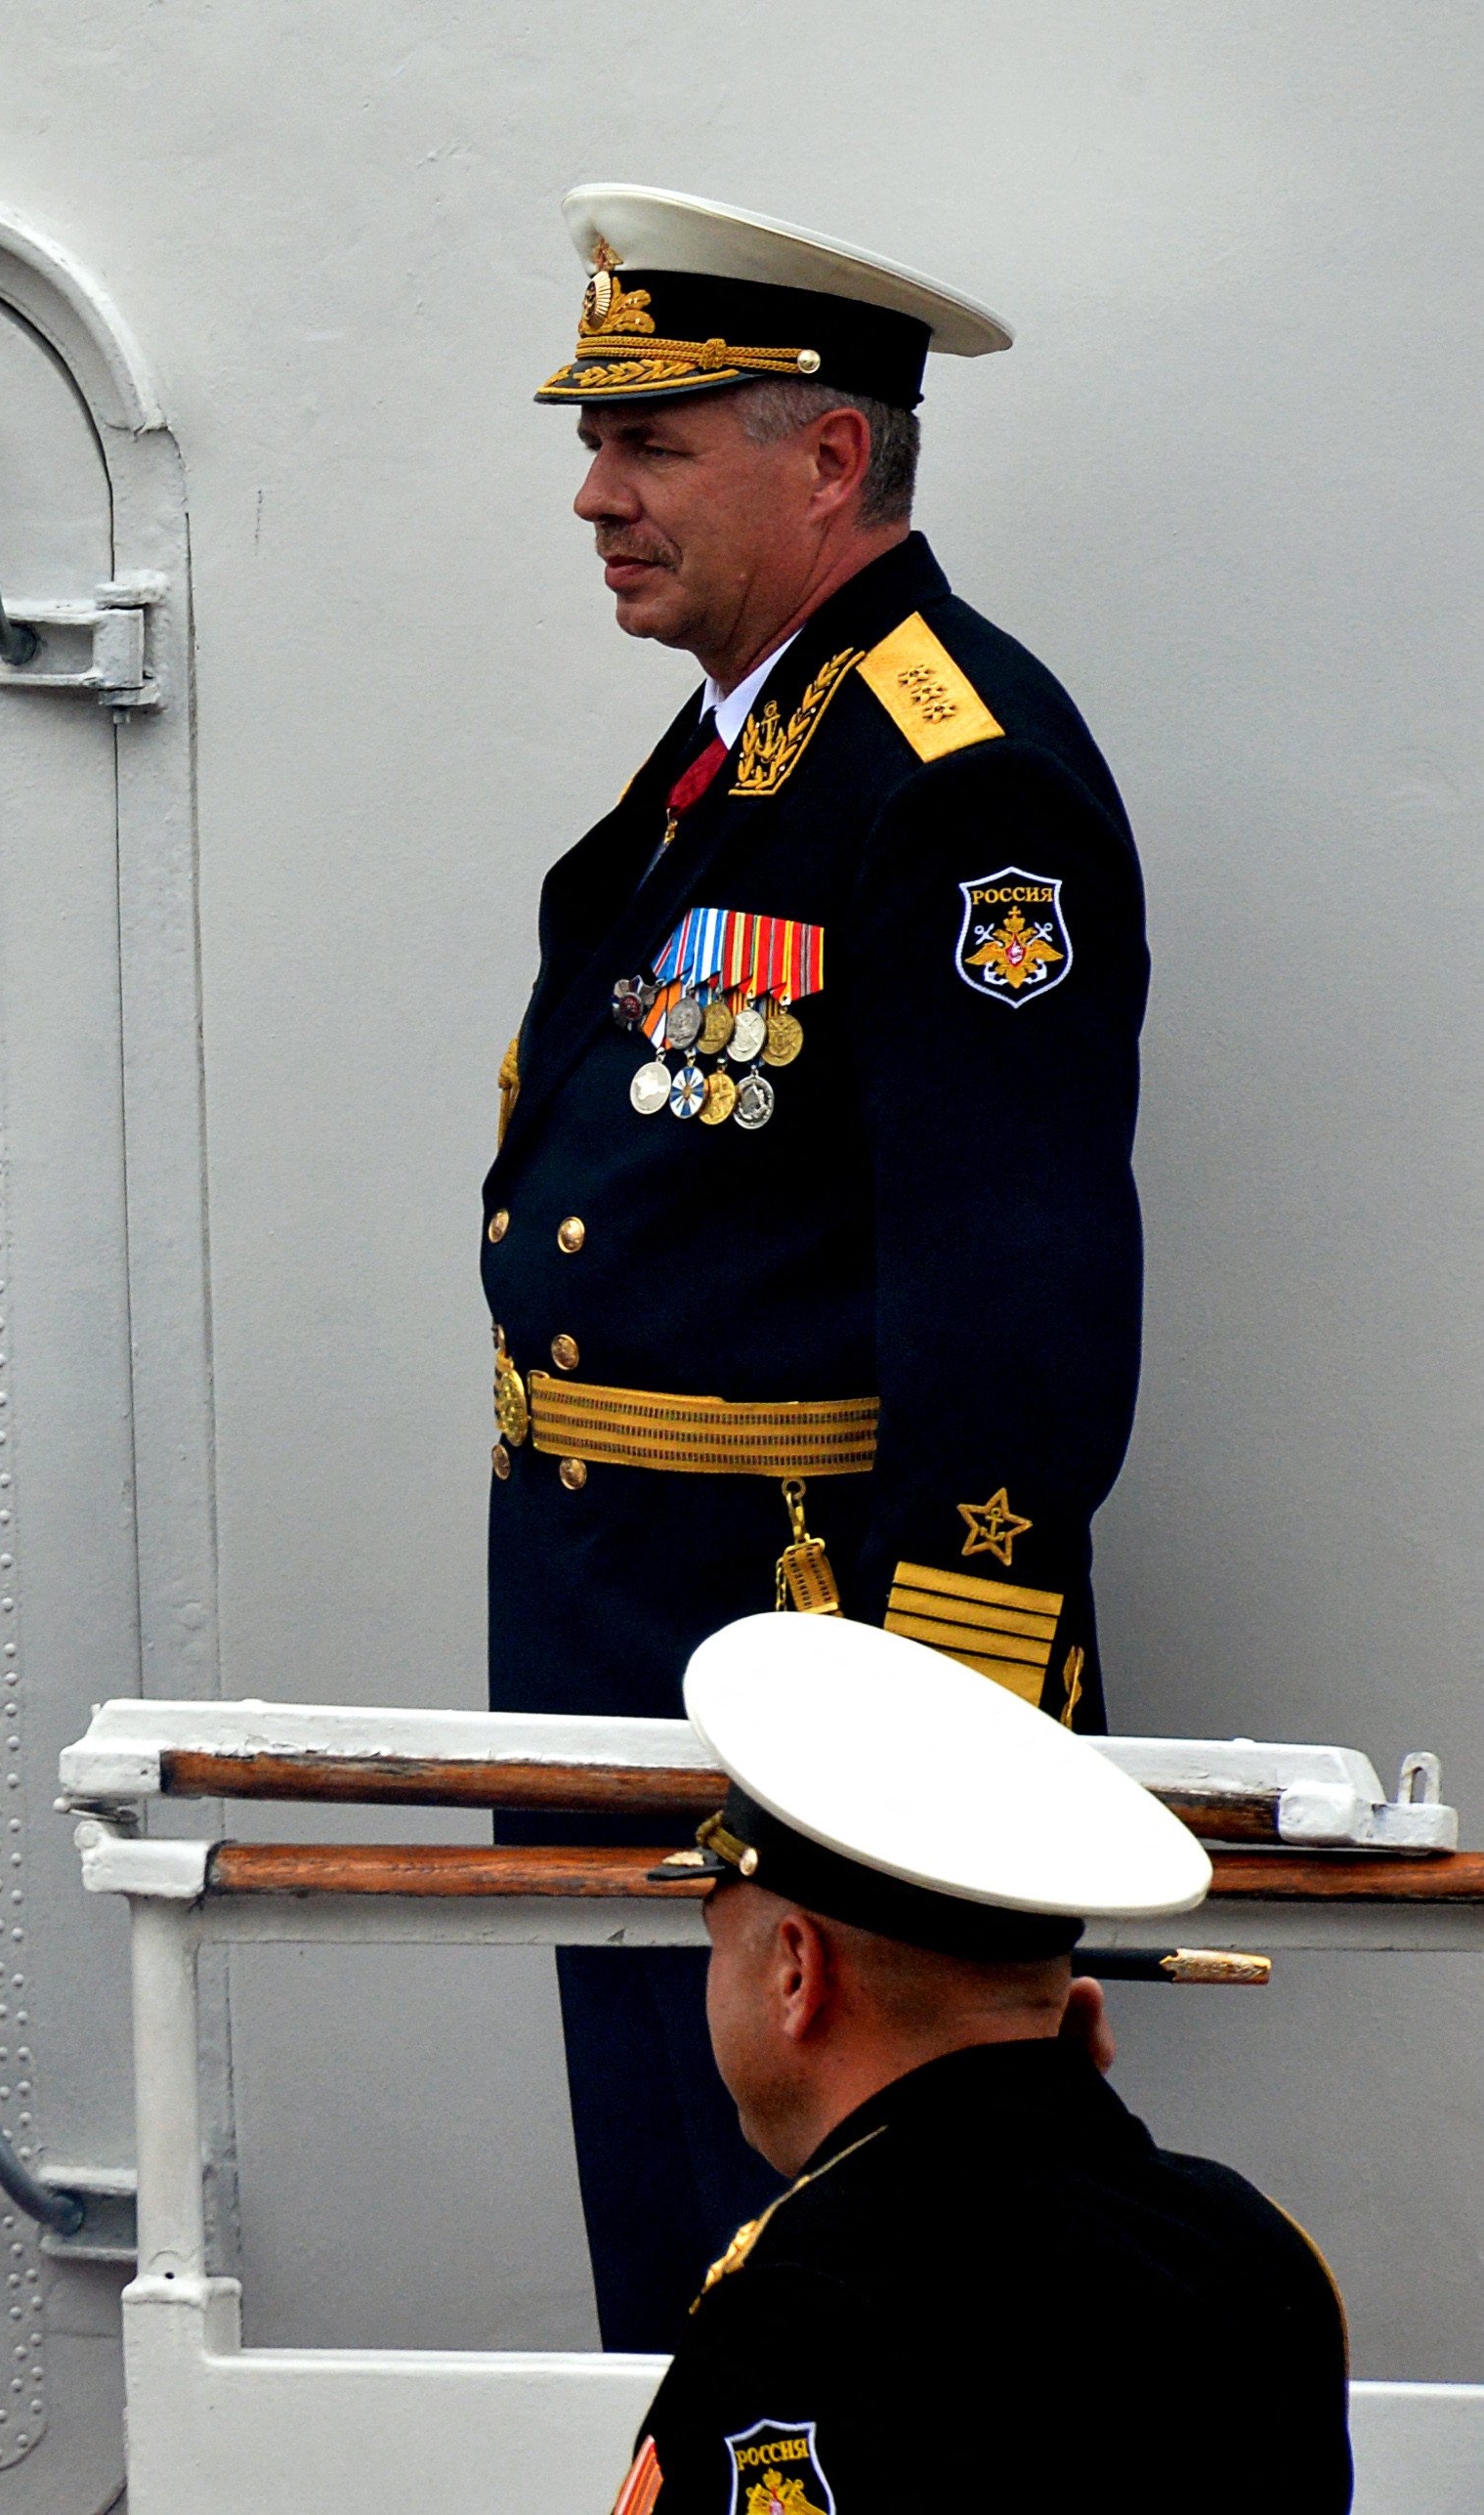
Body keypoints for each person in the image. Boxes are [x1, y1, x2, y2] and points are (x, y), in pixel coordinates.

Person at [482, 185, 1150, 2350]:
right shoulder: (747, 745)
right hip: (640, 1645)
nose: (594, 495)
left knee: (844, 2321)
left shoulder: (954, 779)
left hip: (806, 1679)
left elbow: (1013, 1296)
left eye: (649, 443)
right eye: (597, 442)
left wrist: (927, 1750)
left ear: (830, 456)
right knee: (685, 2289)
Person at [610, 1612, 1349, 2509]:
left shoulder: (802, 2299)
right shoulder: (1250, 2250)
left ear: (796, 1972)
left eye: (718, 1944)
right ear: (1072, 2003)